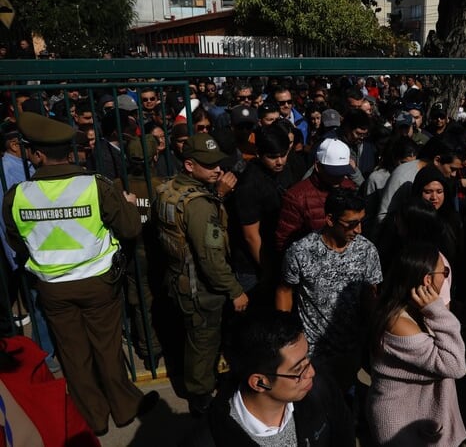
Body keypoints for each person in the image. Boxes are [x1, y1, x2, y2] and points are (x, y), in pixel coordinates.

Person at [2, 111, 158, 435]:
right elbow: (130, 228)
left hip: (52, 288)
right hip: (98, 283)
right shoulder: (95, 186)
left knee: (73, 354)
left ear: (37, 154)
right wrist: (129, 204)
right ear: (68, 151)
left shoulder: (17, 195)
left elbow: (16, 241)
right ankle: (124, 407)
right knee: (107, 347)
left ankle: (93, 416)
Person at [154, 134, 249, 415]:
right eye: (209, 165)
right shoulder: (200, 205)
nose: (218, 169)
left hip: (178, 278)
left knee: (193, 337)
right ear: (189, 165)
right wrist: (235, 290)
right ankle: (200, 395)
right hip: (200, 290)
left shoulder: (168, 189)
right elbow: (211, 258)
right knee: (204, 342)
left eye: (218, 163)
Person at [184, 310, 354, 447]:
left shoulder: (321, 389)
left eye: (307, 358)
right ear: (259, 382)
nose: (311, 373)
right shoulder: (207, 440)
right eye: (298, 370)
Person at [276, 188, 382, 392]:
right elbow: (284, 291)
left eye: (361, 222)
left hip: (351, 348)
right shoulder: (301, 251)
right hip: (313, 352)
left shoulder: (367, 250)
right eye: (351, 224)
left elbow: (370, 296)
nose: (358, 230)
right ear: (330, 220)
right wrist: (285, 335)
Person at [366, 242, 466, 446]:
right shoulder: (399, 324)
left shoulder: (413, 309)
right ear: (427, 279)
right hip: (401, 426)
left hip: (416, 416)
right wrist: (436, 310)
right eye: (444, 272)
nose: (446, 278)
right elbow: (455, 364)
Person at [230, 126, 300, 308]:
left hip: (278, 255)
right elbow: (251, 236)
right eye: (273, 157)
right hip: (253, 266)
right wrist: (268, 271)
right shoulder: (249, 185)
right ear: (259, 154)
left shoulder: (285, 169)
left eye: (283, 155)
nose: (280, 161)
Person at [114, 135, 164, 370]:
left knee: (140, 303)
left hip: (132, 253)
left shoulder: (117, 186)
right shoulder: (161, 186)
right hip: (156, 253)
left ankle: (150, 349)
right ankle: (155, 347)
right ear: (155, 157)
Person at [274, 138, 357, 252]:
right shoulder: (296, 197)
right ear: (318, 167)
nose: (339, 178)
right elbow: (284, 241)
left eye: (343, 172)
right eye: (334, 172)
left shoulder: (349, 187)